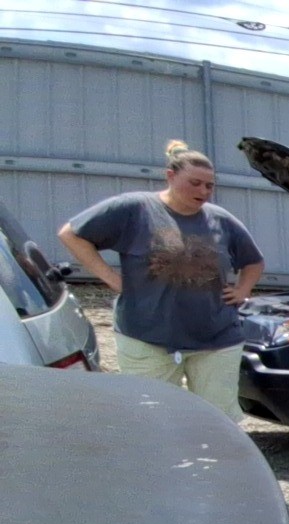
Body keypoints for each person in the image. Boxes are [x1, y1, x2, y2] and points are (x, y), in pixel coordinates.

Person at [59, 139, 264, 421]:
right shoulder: (134, 209)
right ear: (170, 176)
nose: (203, 191)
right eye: (195, 183)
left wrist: (243, 289)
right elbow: (71, 234)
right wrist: (111, 278)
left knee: (219, 420)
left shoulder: (221, 220)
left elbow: (254, 261)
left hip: (216, 339)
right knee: (152, 418)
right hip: (147, 337)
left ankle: (213, 465)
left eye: (209, 185)